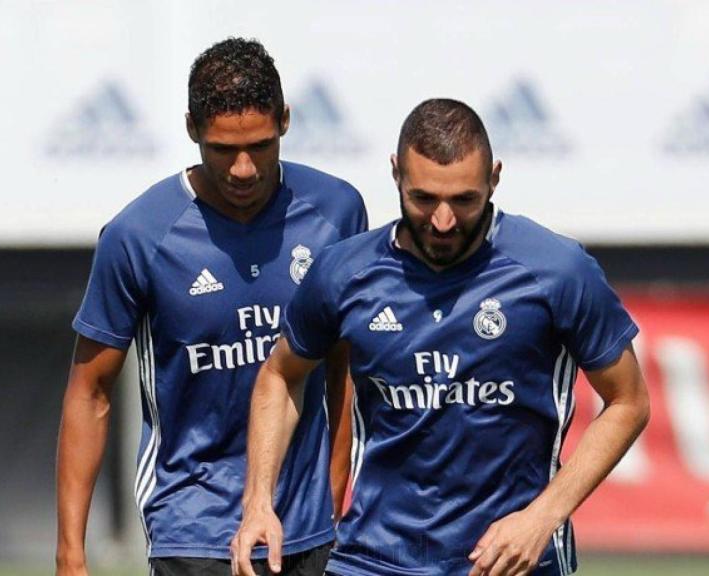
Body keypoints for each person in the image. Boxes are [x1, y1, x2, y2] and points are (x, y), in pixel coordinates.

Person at [232, 99, 650, 576]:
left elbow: (628, 402)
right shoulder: (345, 272)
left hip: (506, 563)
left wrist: (543, 517)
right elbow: (280, 375)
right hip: (371, 559)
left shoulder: (557, 270)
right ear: (396, 174)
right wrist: (258, 503)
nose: (443, 220)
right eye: (424, 199)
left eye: (464, 200)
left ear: (494, 178)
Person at [56, 38, 367, 576]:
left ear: (286, 121)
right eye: (223, 150)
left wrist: (335, 499)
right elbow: (91, 391)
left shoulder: (336, 212)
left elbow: (344, 367)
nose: (243, 168)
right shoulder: (138, 235)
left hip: (308, 529)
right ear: (191, 129)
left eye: (261, 146)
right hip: (193, 528)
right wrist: (70, 555)